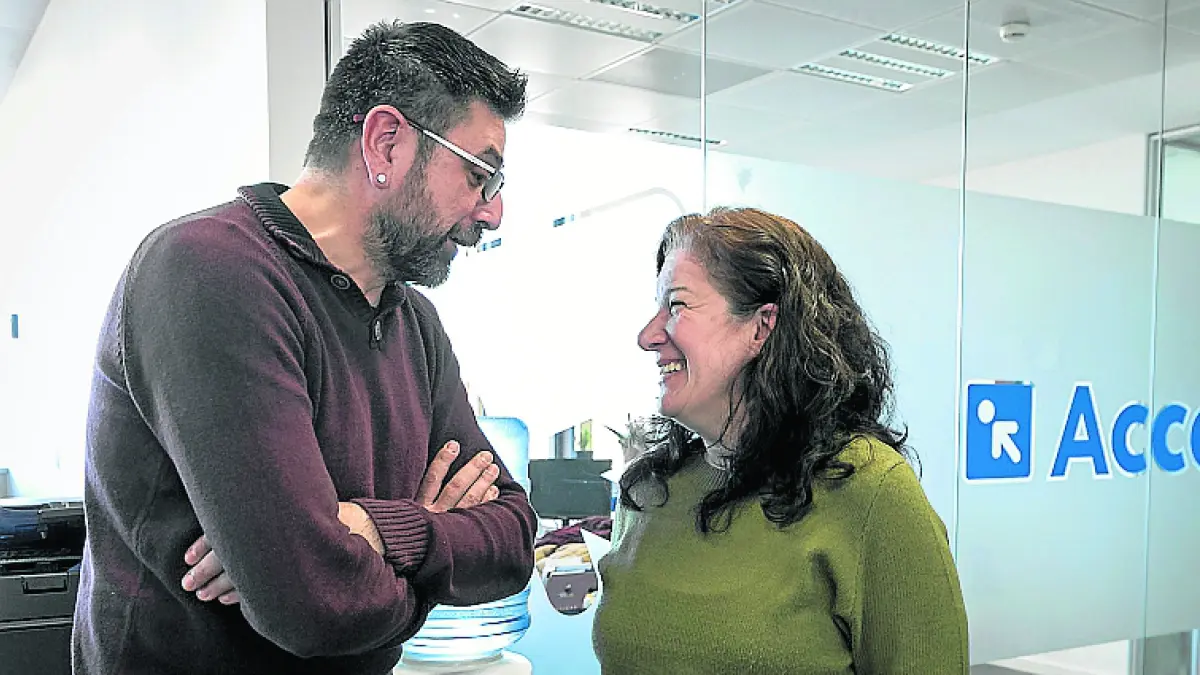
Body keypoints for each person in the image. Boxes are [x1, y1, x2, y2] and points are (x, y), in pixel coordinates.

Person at [73, 21, 537, 675]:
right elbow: (314, 605)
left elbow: (514, 539)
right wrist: (427, 542)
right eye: (479, 175)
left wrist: (378, 530)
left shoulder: (414, 324)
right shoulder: (210, 271)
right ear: (385, 142)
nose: (492, 212)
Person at [592, 207, 970, 674]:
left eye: (677, 306)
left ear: (762, 326)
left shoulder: (871, 492)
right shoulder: (648, 491)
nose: (648, 336)